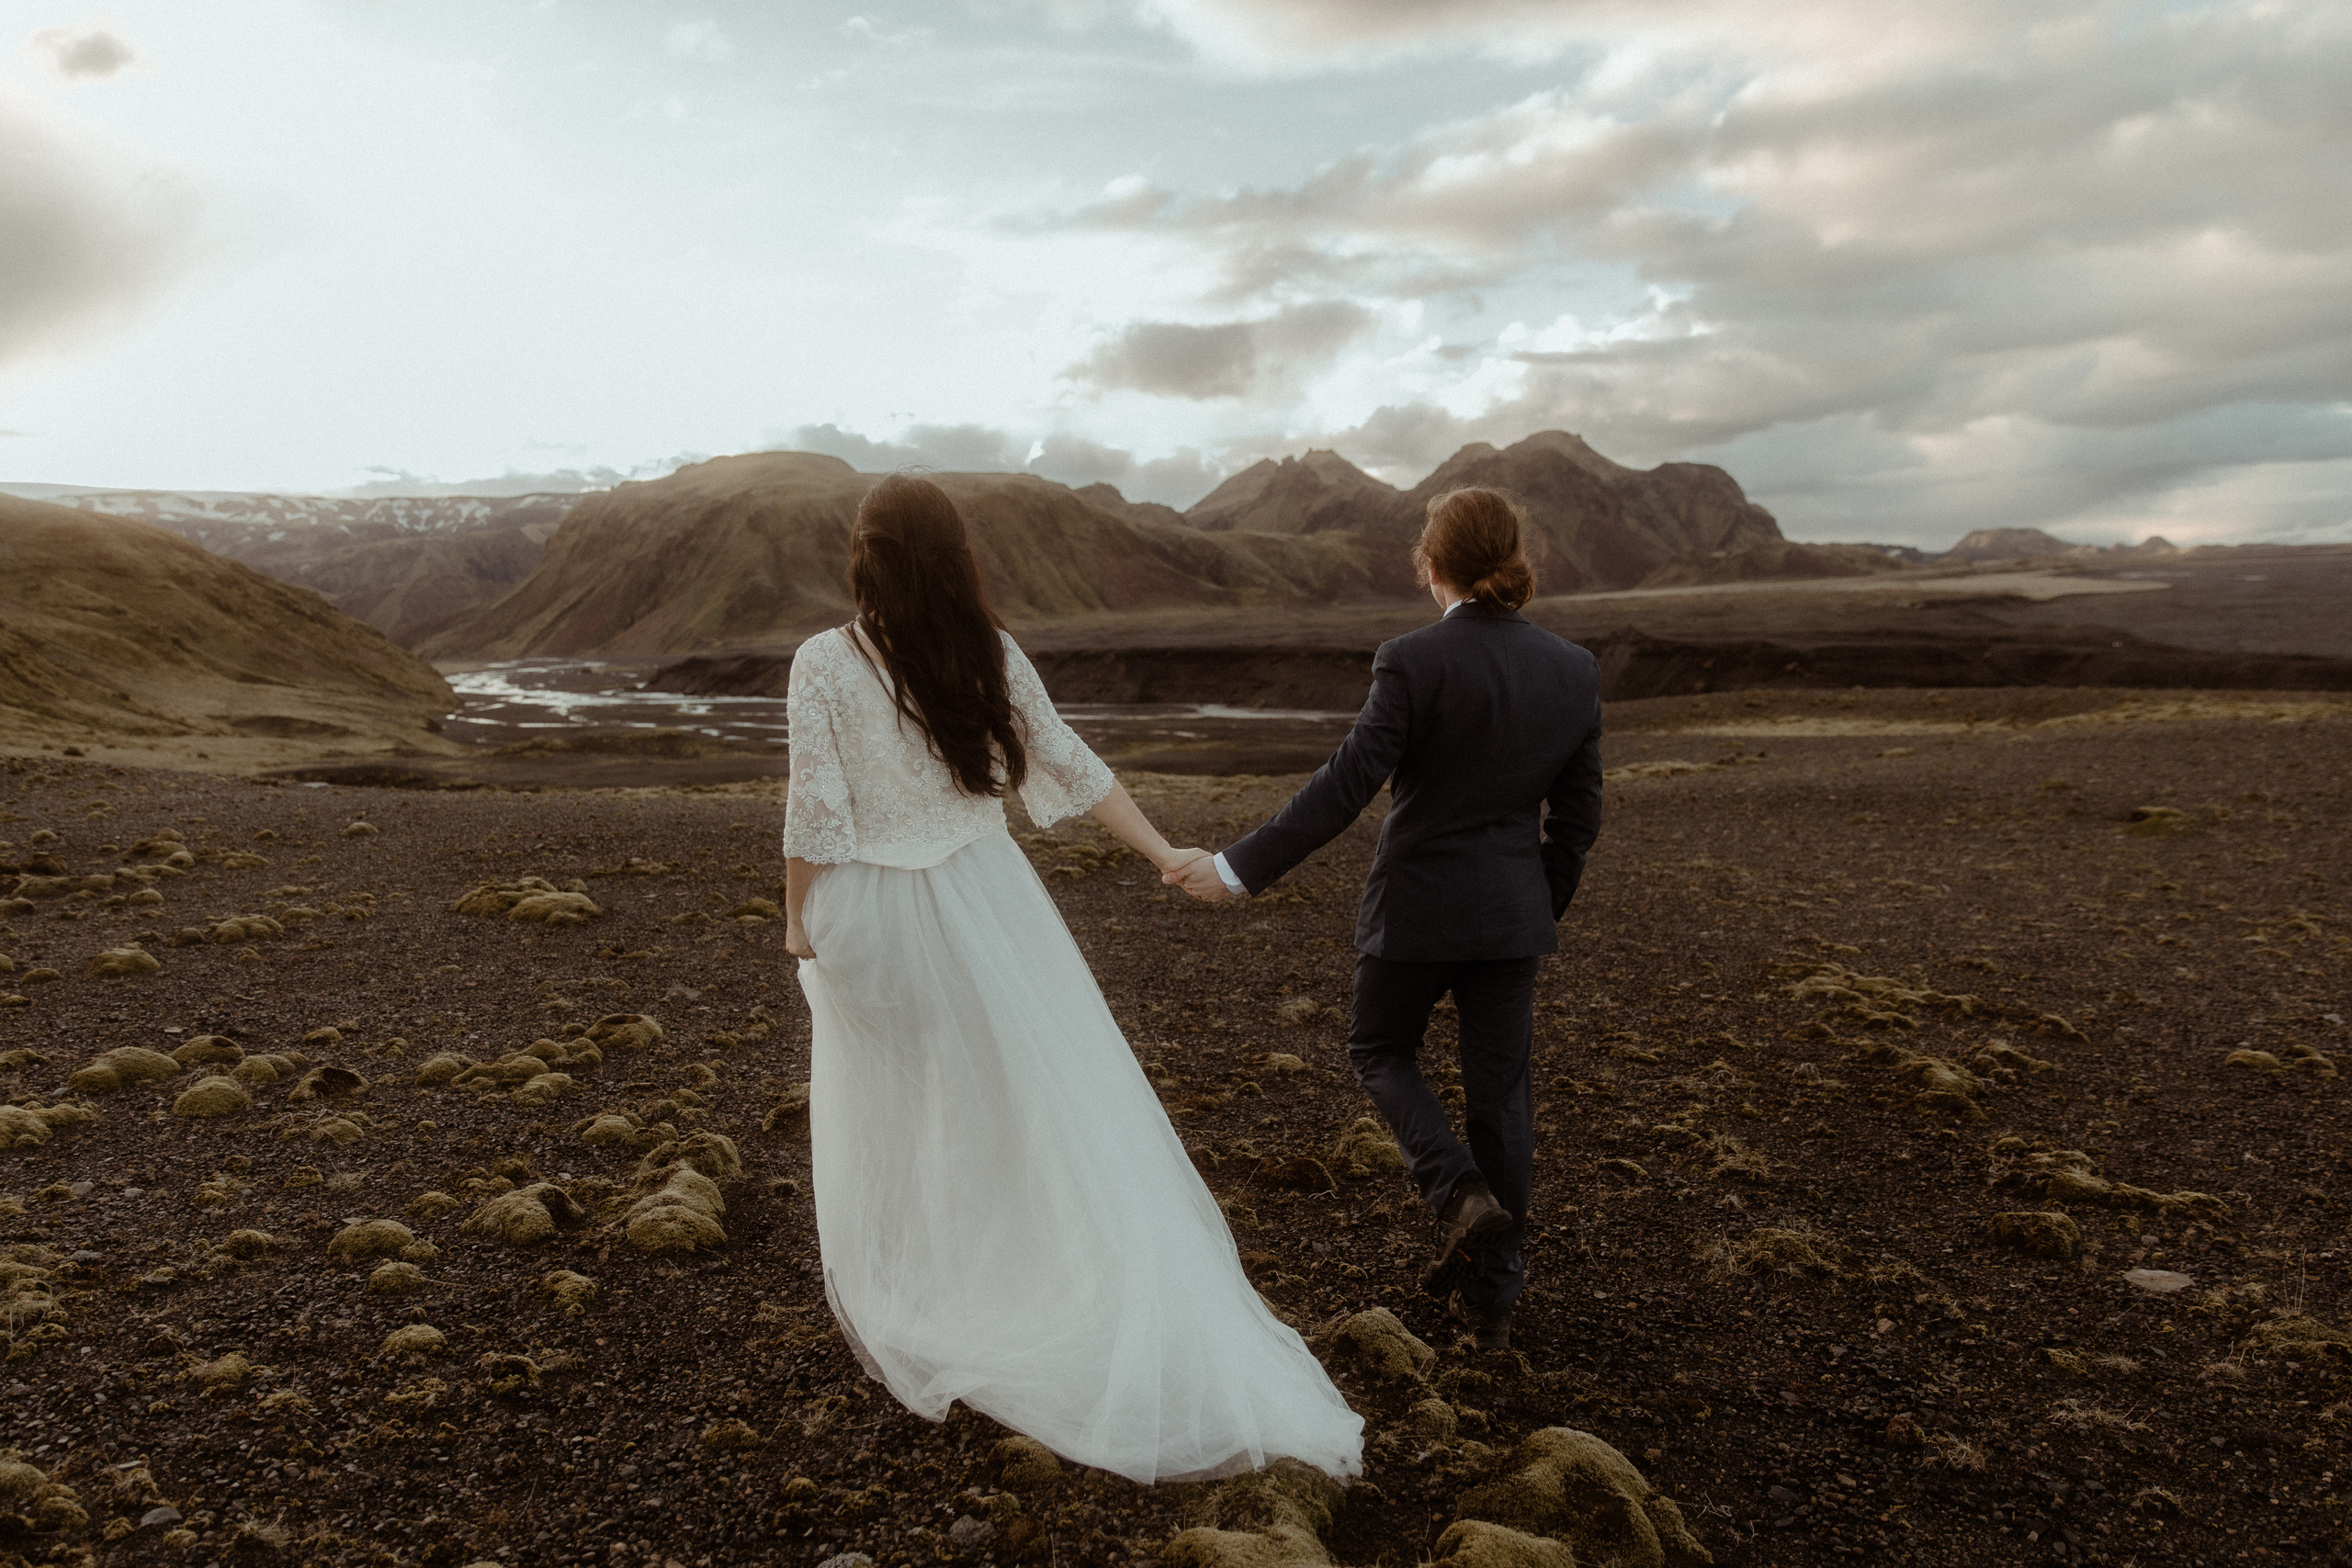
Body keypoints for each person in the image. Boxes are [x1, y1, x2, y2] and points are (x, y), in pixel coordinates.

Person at [779, 473, 1363, 1485]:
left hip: (871, 915)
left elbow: (816, 811)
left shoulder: (823, 660)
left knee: (904, 1104)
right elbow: (1068, 760)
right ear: (954, 556)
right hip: (987, 900)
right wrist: (1161, 850)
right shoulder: (987, 650)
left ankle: (942, 1287)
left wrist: (795, 917)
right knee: (1009, 1099)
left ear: (864, 556)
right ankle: (1019, 1276)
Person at [1166, 486, 1603, 1352]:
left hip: (1414, 915)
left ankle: (1458, 1193)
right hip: (1511, 919)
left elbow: (1344, 787)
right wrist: (1532, 904)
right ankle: (1494, 1303)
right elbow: (1579, 817)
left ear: (1432, 566)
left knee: (1377, 1048)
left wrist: (1235, 869)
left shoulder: (1411, 659)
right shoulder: (1574, 668)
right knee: (1502, 1100)